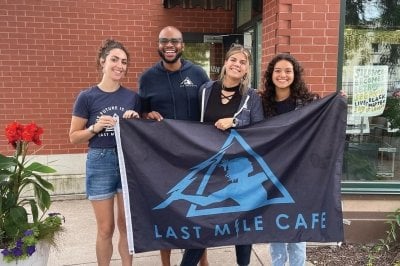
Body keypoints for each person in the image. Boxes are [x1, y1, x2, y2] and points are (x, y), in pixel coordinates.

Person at [180, 44, 264, 266]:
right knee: (202, 222)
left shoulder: (252, 97)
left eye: (243, 62)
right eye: (233, 60)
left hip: (239, 169)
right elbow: (193, 125)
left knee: (241, 223)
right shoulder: (206, 90)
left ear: (247, 70)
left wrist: (235, 122)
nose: (237, 64)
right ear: (226, 63)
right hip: (210, 167)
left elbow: (259, 130)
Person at [138, 26, 210, 266]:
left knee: (198, 212)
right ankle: (166, 262)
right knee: (166, 211)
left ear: (183, 45)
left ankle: (203, 261)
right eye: (164, 41)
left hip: (196, 155)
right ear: (158, 45)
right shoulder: (147, 78)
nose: (169, 46)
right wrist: (147, 115)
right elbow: (141, 113)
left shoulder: (199, 74)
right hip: (163, 157)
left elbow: (210, 107)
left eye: (175, 41)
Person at [69, 39, 140, 266]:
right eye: (114, 59)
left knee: (126, 224)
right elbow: (73, 136)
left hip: (126, 161)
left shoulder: (132, 97)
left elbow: (141, 134)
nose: (120, 65)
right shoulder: (87, 97)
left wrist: (135, 121)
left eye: (124, 62)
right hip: (100, 162)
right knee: (105, 228)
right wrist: (95, 127)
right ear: (103, 62)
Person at [259, 53, 320, 266]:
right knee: (276, 226)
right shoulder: (262, 103)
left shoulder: (308, 103)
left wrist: (338, 102)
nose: (282, 75)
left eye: (287, 71)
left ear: (295, 75)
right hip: (272, 175)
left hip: (299, 175)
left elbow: (323, 126)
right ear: (271, 74)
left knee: (297, 228)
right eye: (278, 70)